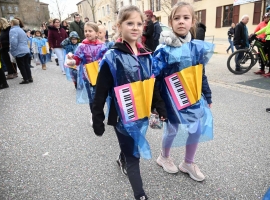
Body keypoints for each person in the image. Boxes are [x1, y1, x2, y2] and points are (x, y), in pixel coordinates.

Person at [91, 5, 167, 200]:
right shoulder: (112, 57)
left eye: (139, 24)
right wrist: (98, 117)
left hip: (141, 115)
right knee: (134, 155)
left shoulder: (147, 55)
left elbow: (153, 84)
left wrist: (160, 107)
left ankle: (122, 157)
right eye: (130, 23)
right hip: (121, 118)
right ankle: (139, 194)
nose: (135, 27)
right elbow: (100, 92)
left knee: (131, 145)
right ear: (119, 26)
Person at [153, 1, 214, 182]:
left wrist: (207, 94)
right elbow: (154, 78)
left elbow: (200, 73)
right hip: (170, 98)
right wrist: (158, 104)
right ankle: (164, 157)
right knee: (171, 130)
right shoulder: (163, 49)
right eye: (177, 18)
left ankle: (188, 162)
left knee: (196, 129)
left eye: (186, 18)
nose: (181, 21)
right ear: (170, 22)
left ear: (192, 21)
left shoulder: (197, 47)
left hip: (193, 96)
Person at [66, 22, 107, 124]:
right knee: (91, 97)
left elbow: (106, 59)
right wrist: (72, 61)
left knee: (101, 96)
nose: (87, 33)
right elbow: (77, 59)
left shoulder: (102, 46)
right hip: (87, 76)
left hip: (100, 75)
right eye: (85, 31)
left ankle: (99, 112)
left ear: (97, 33)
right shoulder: (82, 46)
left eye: (90, 31)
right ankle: (94, 115)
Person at [254, 3, 270, 78]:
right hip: (269, 38)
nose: (269, 12)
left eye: (269, 10)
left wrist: (256, 34)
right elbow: (266, 28)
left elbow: (269, 28)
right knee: (262, 53)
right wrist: (256, 34)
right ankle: (262, 69)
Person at [9, 19, 32, 84]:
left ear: (12, 23)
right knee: (26, 65)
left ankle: (25, 79)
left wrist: (12, 50)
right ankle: (29, 78)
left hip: (19, 50)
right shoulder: (21, 30)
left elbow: (13, 42)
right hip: (25, 49)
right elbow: (27, 39)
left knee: (21, 66)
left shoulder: (13, 30)